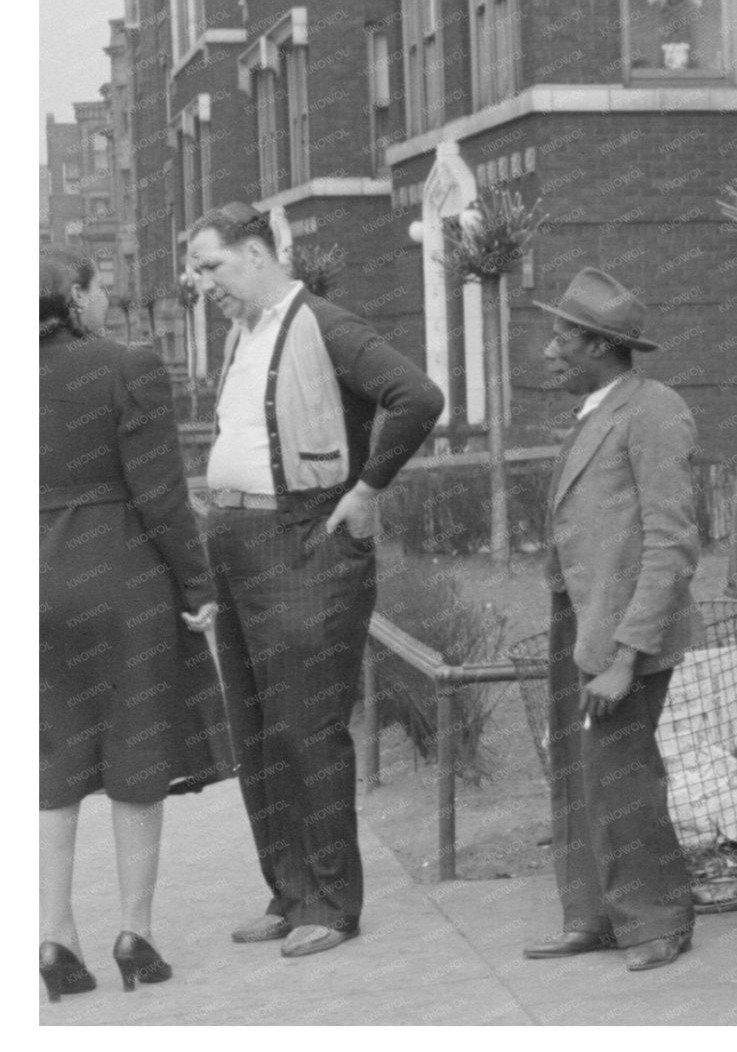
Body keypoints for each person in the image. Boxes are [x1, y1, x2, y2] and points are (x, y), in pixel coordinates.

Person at [185, 202, 443, 958]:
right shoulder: (241, 334)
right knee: (257, 728)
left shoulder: (324, 324)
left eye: (211, 266)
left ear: (257, 253)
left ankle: (330, 901)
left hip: (304, 544)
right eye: (197, 271)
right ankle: (288, 891)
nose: (203, 284)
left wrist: (368, 488)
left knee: (306, 725)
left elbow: (418, 396)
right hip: (239, 544)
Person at [39, 249, 227, 1002]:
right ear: (73, 296)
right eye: (97, 288)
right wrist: (198, 584)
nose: (106, 299)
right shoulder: (128, 366)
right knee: (136, 745)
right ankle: (134, 934)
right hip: (121, 577)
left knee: (50, 760)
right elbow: (161, 492)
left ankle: (54, 935)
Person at [522, 268, 699, 972]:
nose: (549, 350)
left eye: (561, 337)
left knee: (624, 775)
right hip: (582, 621)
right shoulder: (597, 409)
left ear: (598, 345)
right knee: (581, 772)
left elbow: (672, 541)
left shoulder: (654, 411)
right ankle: (593, 914)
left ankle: (659, 920)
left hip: (625, 632)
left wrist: (627, 655)